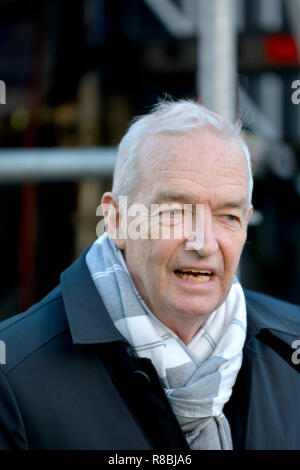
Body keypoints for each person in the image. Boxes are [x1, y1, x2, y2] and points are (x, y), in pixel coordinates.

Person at [0, 99, 300, 450]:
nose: (203, 243)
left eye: (228, 216)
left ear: (246, 225)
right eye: (173, 212)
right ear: (116, 220)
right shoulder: (13, 378)